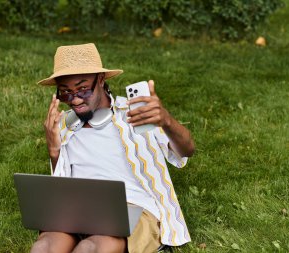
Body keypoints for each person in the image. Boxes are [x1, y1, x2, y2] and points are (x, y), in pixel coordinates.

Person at [31, 43, 195, 253]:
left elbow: (186, 151)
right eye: (66, 93)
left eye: (82, 89)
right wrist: (54, 151)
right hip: (78, 209)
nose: (76, 100)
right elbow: (61, 185)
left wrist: (167, 121)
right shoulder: (61, 124)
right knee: (44, 246)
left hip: (131, 208)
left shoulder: (136, 113)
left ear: (101, 79)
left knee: (90, 248)